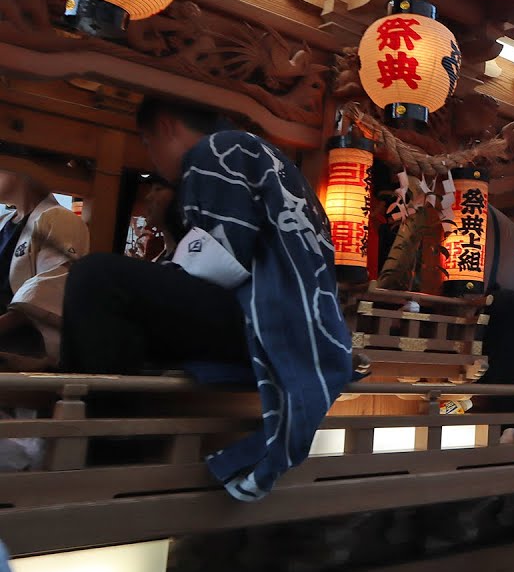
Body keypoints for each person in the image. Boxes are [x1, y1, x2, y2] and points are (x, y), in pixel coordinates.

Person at [60, 98, 356, 501]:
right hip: (303, 323)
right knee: (118, 293)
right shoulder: (274, 161)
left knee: (97, 277)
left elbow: (221, 258)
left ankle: (109, 448)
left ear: (166, 127)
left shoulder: (214, 150)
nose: (152, 158)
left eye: (148, 144)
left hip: (263, 318)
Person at [0, 169, 88, 364]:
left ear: (20, 167)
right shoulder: (4, 221)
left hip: (24, 345)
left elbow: (49, 291)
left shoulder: (59, 218)